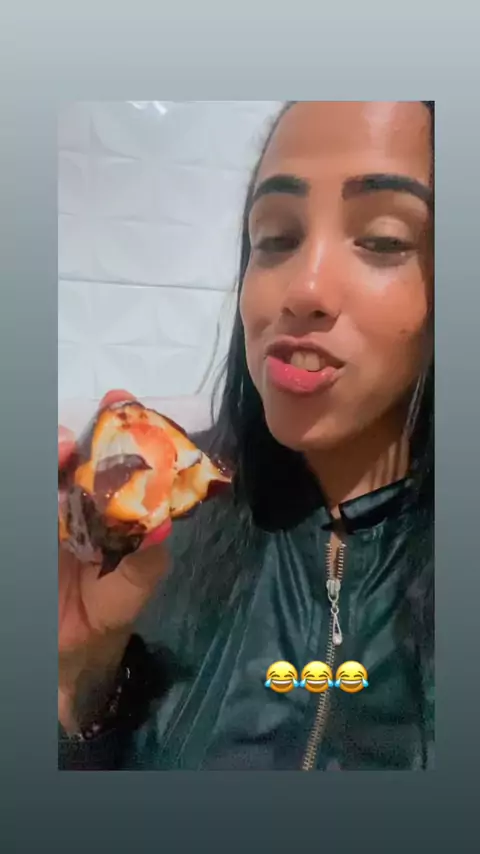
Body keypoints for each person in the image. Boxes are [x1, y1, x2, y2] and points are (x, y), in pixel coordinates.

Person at [59, 100, 434, 771]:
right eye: (276, 239)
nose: (303, 287)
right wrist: (75, 680)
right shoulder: (159, 529)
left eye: (382, 240)